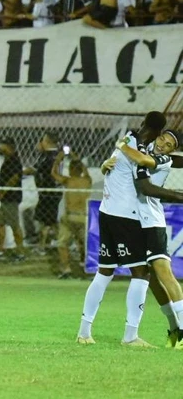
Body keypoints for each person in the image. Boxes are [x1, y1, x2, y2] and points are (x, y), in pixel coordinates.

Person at [77, 111, 167, 346]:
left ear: (143, 123)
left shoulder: (127, 138)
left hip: (106, 212)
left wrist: (105, 164)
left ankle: (84, 332)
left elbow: (112, 164)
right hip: (126, 217)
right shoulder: (139, 149)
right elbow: (146, 181)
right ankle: (130, 336)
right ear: (157, 133)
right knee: (141, 273)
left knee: (104, 272)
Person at [115, 130, 183, 348]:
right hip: (134, 221)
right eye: (164, 137)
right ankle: (174, 328)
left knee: (163, 272)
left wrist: (122, 146)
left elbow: (146, 187)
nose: (164, 143)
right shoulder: (144, 150)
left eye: (170, 144)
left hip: (152, 221)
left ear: (172, 151)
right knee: (148, 278)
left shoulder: (161, 160)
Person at [52, 150, 91, 279]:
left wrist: (59, 159)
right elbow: (85, 171)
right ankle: (87, 268)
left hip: (70, 216)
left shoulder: (68, 180)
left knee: (62, 244)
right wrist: (77, 158)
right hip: (84, 217)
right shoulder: (87, 181)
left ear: (70, 170)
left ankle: (67, 270)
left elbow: (53, 173)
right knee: (84, 244)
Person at [0, 137, 27, 260]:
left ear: (9, 147)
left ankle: (20, 251)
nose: (0, 148)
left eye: (2, 146)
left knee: (14, 225)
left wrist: (2, 192)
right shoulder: (8, 160)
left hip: (11, 198)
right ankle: (0, 249)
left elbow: (14, 178)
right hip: (6, 198)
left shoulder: (14, 160)